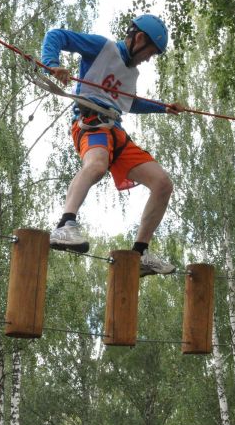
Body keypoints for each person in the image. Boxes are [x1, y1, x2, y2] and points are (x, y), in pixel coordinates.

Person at [41, 14, 185, 276]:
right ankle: (65, 224)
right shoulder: (101, 47)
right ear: (139, 39)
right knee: (96, 166)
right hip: (91, 124)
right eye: (150, 52)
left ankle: (139, 253)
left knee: (162, 184)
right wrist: (52, 64)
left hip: (116, 133)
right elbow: (56, 36)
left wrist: (163, 108)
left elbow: (130, 103)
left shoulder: (132, 73)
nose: (148, 58)